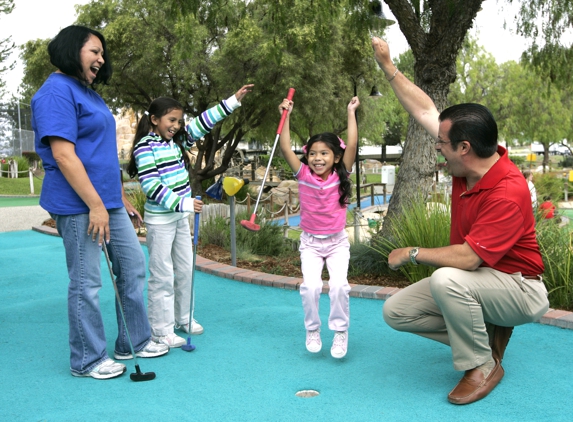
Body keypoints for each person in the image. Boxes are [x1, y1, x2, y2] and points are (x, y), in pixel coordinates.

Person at [372, 37, 549, 404]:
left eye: (441, 143)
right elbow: (425, 109)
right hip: (483, 281)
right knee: (397, 311)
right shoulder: (467, 167)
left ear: (463, 148)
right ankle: (483, 333)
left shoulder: (507, 192)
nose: (437, 147)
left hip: (520, 288)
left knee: (448, 277)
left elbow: (469, 260)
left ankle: (482, 364)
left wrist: (413, 252)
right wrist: (389, 68)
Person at [31, 25, 169, 380]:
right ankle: (88, 359)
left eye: (102, 54)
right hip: (78, 204)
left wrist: (119, 196)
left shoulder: (88, 92)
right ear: (71, 49)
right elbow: (64, 155)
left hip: (108, 201)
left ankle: (133, 341)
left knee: (133, 264)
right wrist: (95, 204)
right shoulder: (55, 92)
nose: (101, 59)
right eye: (94, 51)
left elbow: (101, 153)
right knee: (87, 281)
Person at [127, 86, 253, 348]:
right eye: (171, 120)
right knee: (162, 275)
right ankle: (160, 330)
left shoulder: (176, 141)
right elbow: (151, 187)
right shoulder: (144, 147)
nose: (176, 126)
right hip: (161, 221)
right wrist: (183, 203)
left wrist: (232, 101)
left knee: (185, 270)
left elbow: (202, 123)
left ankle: (183, 318)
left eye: (179, 121)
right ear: (154, 119)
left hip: (179, 218)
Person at [278, 95, 360, 359]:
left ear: (336, 157)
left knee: (338, 287)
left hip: (336, 243)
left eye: (324, 153)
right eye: (312, 153)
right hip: (311, 243)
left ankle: (340, 332)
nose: (317, 158)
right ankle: (312, 329)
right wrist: (286, 115)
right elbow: (285, 148)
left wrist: (351, 113)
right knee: (311, 287)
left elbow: (353, 144)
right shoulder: (303, 175)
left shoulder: (341, 174)